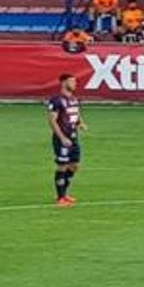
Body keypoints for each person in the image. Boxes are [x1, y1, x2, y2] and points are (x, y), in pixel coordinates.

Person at [48, 74, 86, 206]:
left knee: (74, 165)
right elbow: (52, 120)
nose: (75, 84)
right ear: (64, 83)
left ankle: (64, 193)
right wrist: (62, 138)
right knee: (62, 166)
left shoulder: (74, 99)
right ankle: (60, 197)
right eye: (72, 81)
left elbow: (76, 112)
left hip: (73, 137)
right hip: (62, 139)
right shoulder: (56, 100)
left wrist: (80, 123)